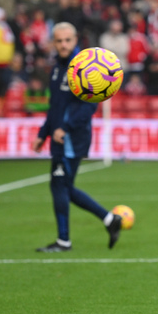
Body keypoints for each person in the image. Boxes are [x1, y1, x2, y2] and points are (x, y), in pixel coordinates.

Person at [32, 22, 122, 252]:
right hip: (58, 136)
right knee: (63, 186)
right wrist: (43, 133)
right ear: (54, 42)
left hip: (71, 138)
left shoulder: (84, 66)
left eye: (67, 40)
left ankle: (64, 241)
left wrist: (66, 128)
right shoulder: (56, 68)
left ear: (75, 40)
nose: (63, 44)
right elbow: (55, 106)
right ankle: (110, 220)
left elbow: (90, 106)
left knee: (59, 184)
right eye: (59, 41)